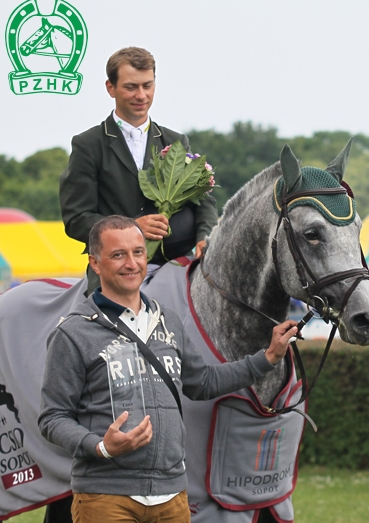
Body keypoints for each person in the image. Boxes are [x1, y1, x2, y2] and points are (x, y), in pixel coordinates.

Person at [38, 216, 298, 523]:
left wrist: (266, 358)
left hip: (172, 496)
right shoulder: (74, 332)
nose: (131, 263)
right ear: (95, 263)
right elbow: (52, 417)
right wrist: (100, 446)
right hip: (106, 496)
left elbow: (202, 382)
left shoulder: (168, 321)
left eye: (137, 252)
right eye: (118, 254)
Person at [60, 47, 218, 294]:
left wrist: (205, 237)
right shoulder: (87, 145)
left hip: (175, 267)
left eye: (148, 85)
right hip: (114, 274)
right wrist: (131, 229)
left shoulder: (176, 141)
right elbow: (76, 219)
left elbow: (203, 202)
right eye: (131, 87)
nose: (141, 95)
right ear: (110, 88)